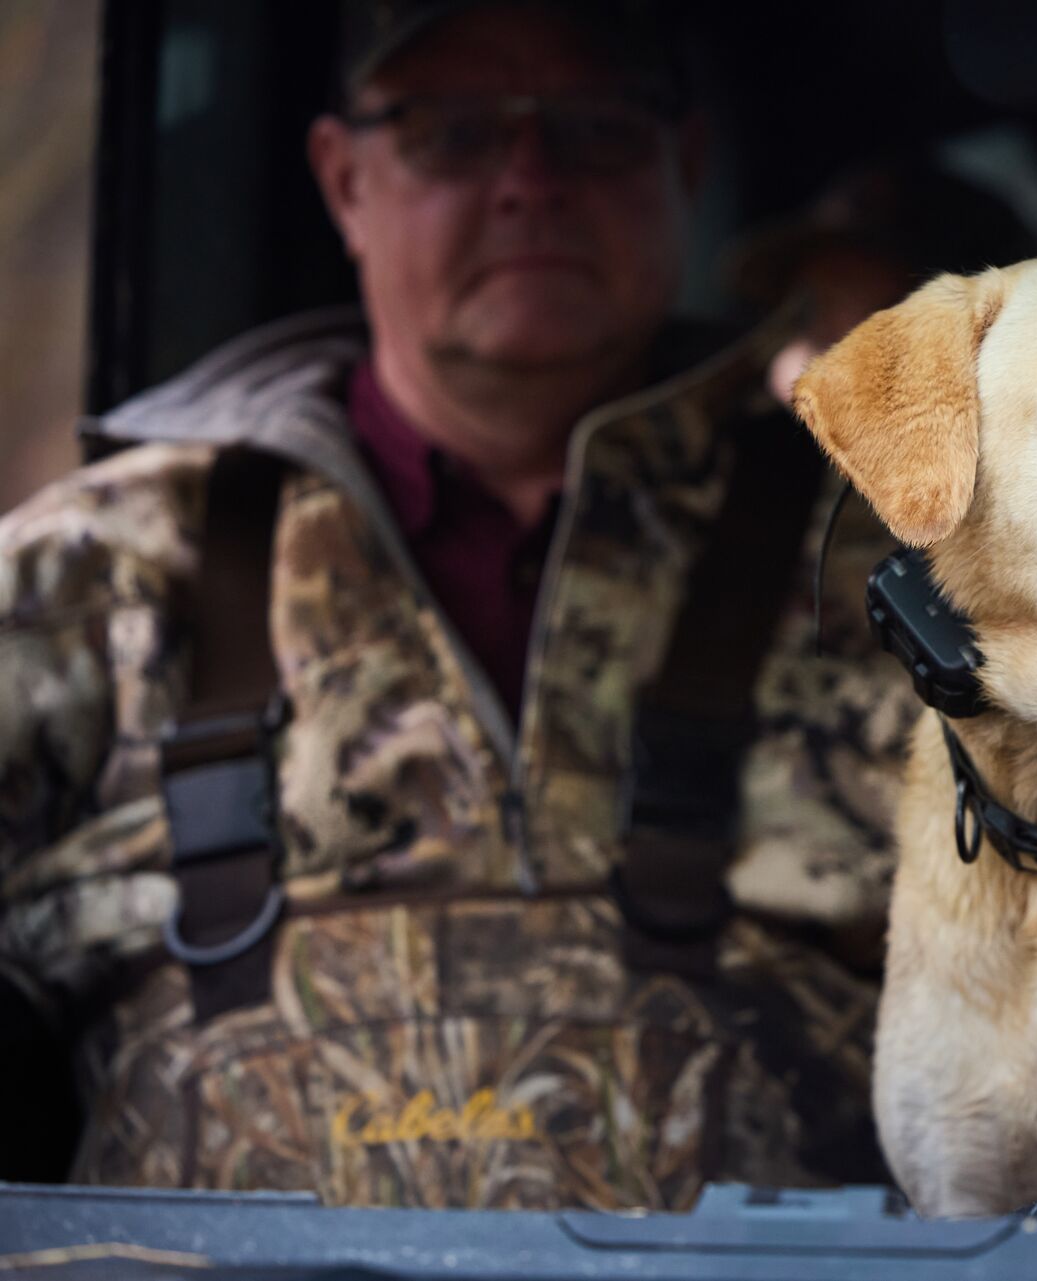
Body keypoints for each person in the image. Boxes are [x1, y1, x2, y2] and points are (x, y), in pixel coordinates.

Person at [0, 0, 884, 1209]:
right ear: (343, 178)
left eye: (592, 128)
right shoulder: (91, 575)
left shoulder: (902, 570)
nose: (530, 179)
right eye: (453, 133)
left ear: (685, 164)